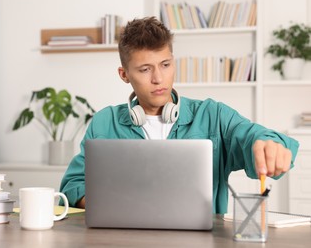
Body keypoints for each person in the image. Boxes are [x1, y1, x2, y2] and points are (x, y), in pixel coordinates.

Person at [59, 16, 299, 214]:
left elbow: (252, 136)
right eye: (145, 69)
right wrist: (113, 206)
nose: (158, 79)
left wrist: (270, 145)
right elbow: (72, 186)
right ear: (124, 75)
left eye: (165, 65)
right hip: (126, 237)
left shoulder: (212, 115)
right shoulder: (105, 122)